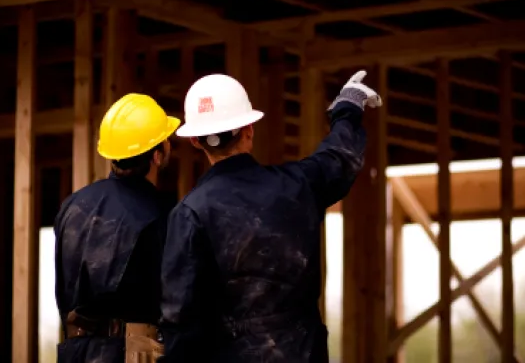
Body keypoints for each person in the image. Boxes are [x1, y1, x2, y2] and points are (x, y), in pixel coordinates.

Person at [158, 70, 382, 362]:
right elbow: (339, 157)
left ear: (196, 142)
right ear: (249, 128)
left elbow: (180, 318)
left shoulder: (190, 213)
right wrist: (347, 107)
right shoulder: (298, 186)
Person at [54, 93, 181, 363]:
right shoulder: (162, 215)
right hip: (132, 353)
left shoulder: (72, 206)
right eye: (165, 140)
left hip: (75, 352)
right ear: (157, 156)